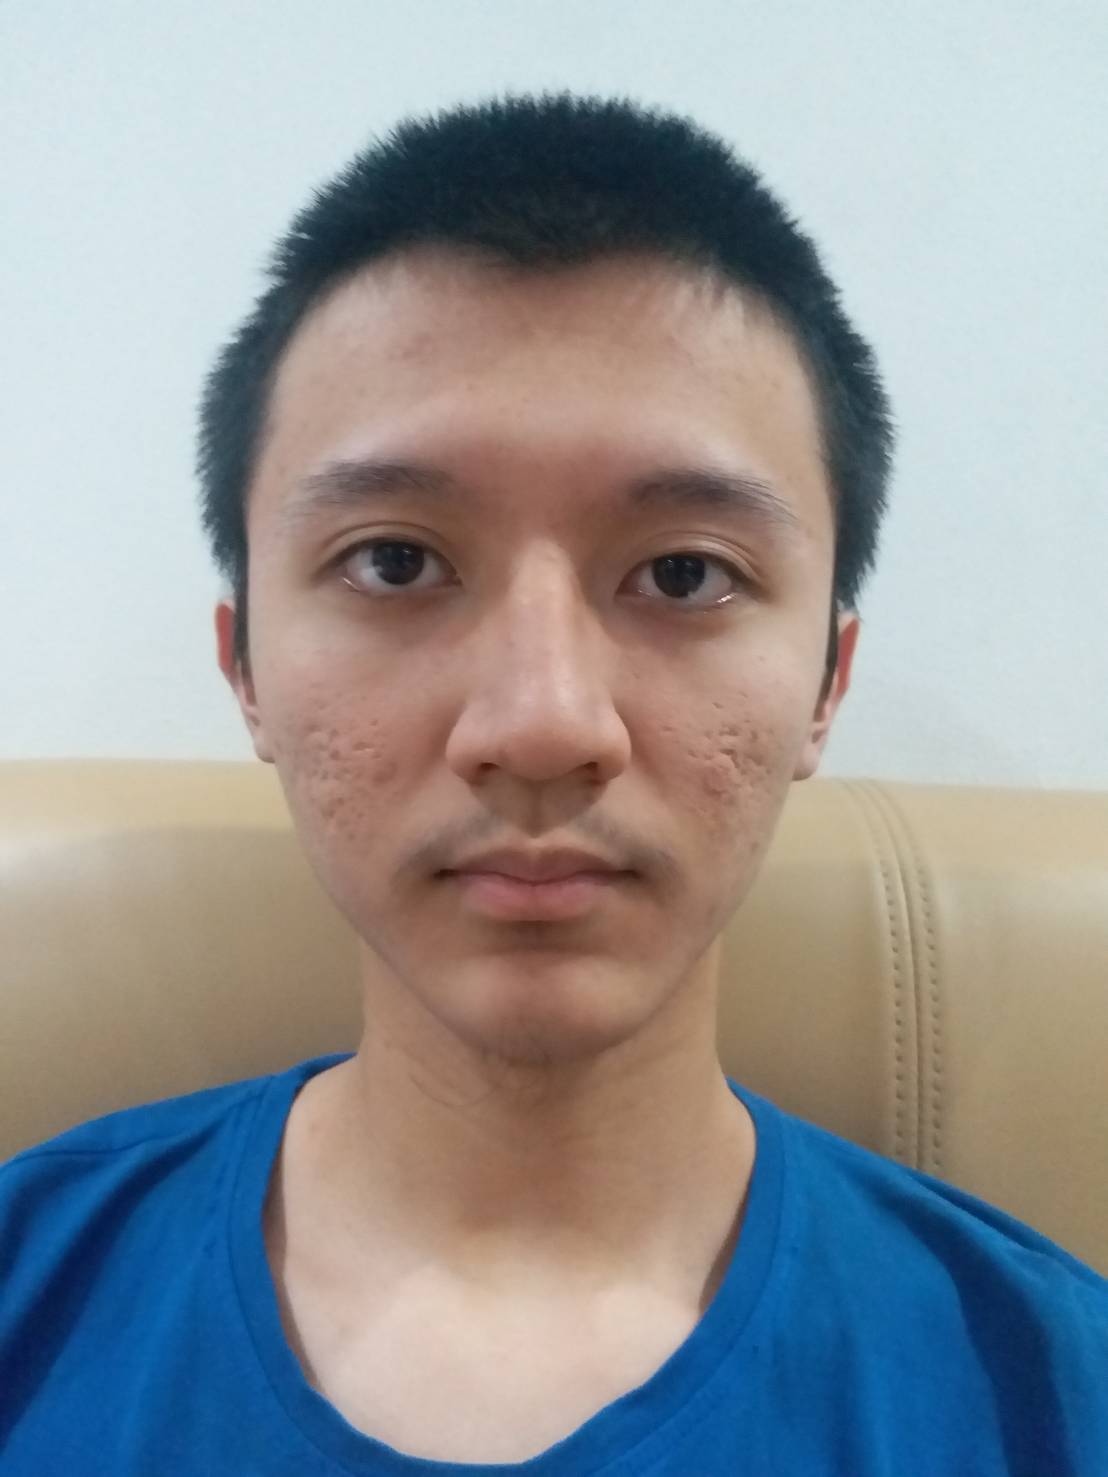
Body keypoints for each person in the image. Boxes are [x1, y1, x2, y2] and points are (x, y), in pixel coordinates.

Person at [1, 91, 1105, 1476]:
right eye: (395, 561)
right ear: (246, 671)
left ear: (828, 680)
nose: (541, 724)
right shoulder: (30, 1296)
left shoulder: (1052, 1391)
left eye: (685, 574)